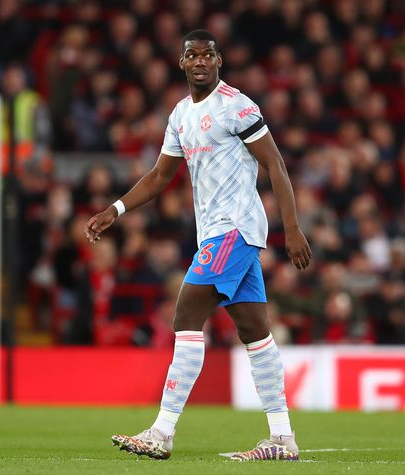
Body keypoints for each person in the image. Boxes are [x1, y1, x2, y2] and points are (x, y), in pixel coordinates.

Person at [85, 30, 311, 460]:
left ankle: (162, 432)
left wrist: (293, 227)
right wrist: (115, 208)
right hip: (216, 232)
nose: (201, 61)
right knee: (254, 333)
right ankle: (283, 437)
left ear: (219, 61)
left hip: (235, 228)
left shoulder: (237, 105)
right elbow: (157, 178)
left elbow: (275, 163)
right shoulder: (180, 115)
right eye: (193, 55)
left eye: (209, 54)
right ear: (182, 63)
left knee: (187, 310)